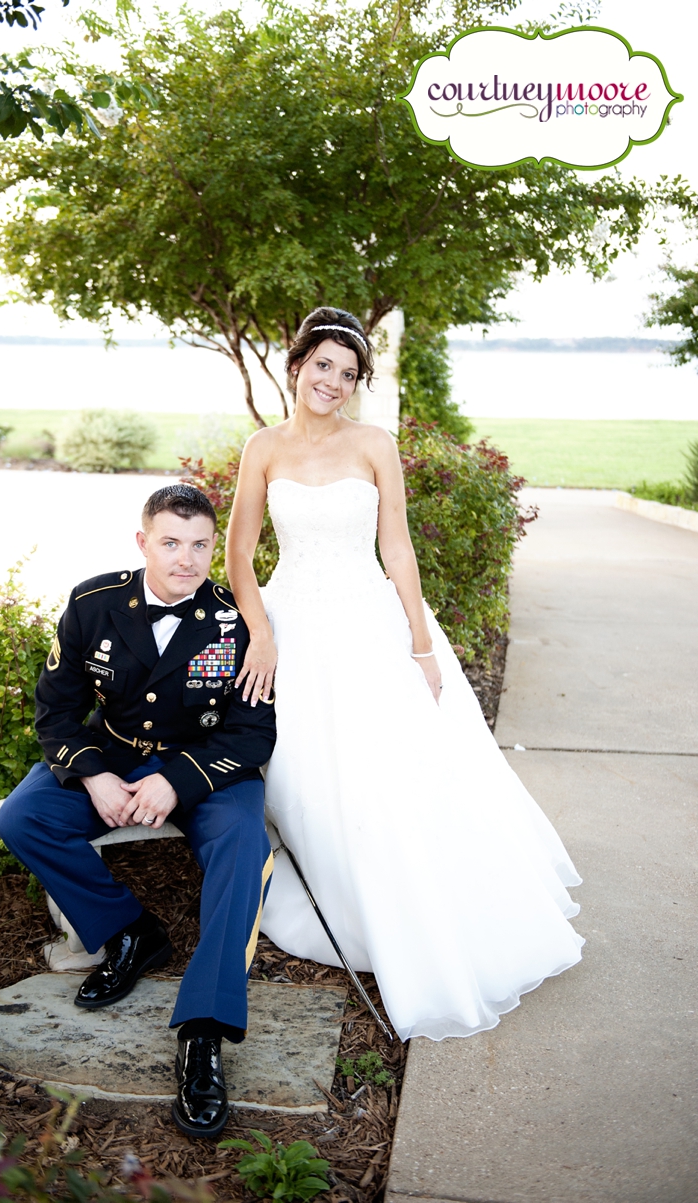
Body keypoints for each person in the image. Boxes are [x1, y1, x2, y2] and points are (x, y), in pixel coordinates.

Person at [225, 306, 584, 1043]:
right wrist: (260, 632)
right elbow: (239, 552)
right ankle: (348, 896)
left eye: (348, 373)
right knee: (312, 773)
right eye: (322, 365)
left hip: (369, 621)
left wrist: (421, 643)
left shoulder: (374, 445)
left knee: (396, 767)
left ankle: (425, 905)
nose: (333, 381)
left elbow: (398, 548)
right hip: (295, 627)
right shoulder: (263, 447)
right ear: (296, 365)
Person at [0, 484, 276, 1138]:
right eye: (170, 542)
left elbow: (252, 733)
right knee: (22, 816)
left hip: (208, 766)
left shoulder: (239, 620)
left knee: (245, 846)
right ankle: (130, 931)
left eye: (200, 545)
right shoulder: (93, 603)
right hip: (116, 756)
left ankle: (203, 1029)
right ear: (143, 541)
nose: (186, 559)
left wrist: (178, 782)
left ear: (214, 547)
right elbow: (56, 710)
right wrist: (92, 774)